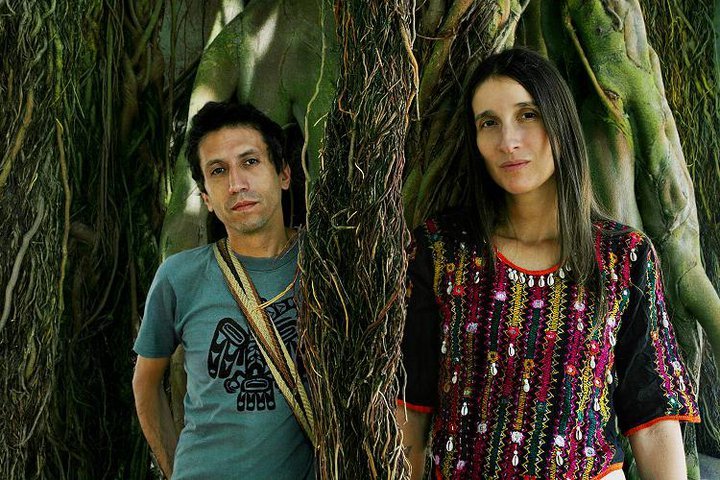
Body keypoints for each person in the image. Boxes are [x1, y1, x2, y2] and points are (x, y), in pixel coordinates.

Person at [397, 48, 700, 480]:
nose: (508, 142)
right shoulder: (443, 251)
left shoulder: (622, 258)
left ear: (559, 121)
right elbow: (411, 408)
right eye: (488, 123)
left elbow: (652, 418)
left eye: (528, 115)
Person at [132, 101, 315, 479]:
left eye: (250, 162)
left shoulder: (326, 268)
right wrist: (175, 469)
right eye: (218, 171)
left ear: (283, 174)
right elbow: (146, 383)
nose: (236, 184)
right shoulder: (179, 277)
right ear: (206, 199)